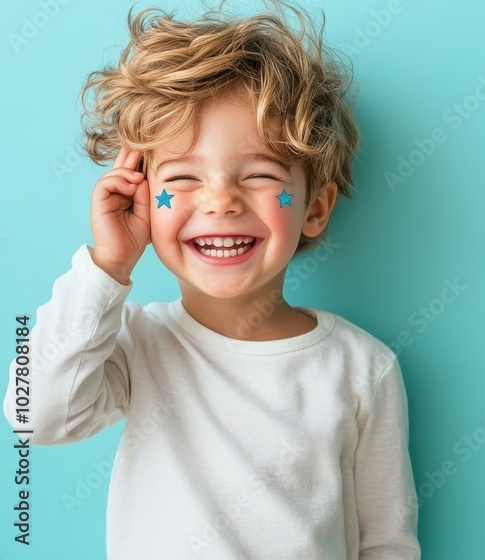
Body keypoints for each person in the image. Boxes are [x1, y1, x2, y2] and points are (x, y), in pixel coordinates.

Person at [2, 1, 420, 558]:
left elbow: (387, 542)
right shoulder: (134, 344)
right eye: (183, 179)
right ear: (141, 199)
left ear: (316, 209)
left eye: (259, 175)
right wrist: (108, 266)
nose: (220, 200)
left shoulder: (363, 367)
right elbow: (34, 415)